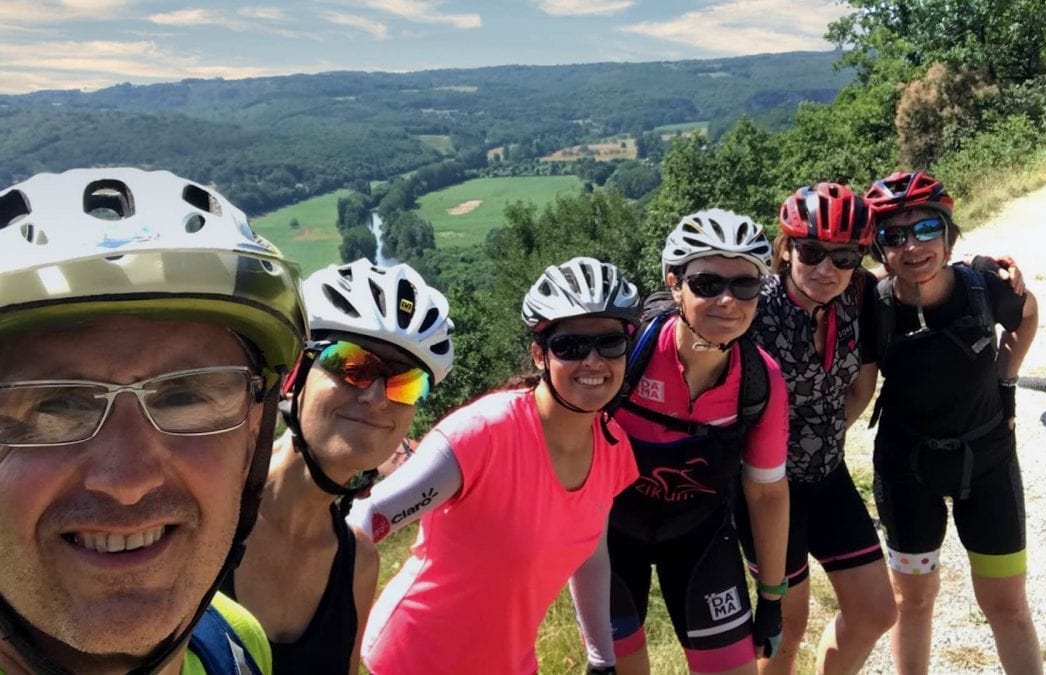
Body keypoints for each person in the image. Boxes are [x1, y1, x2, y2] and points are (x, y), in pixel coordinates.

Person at [0, 167, 306, 674]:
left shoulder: (232, 644)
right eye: (54, 406)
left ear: (251, 442)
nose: (127, 482)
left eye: (184, 397)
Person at [348, 256, 641, 674]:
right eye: (570, 347)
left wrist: (601, 659)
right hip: (411, 660)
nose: (594, 361)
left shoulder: (613, 450)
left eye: (610, 344)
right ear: (540, 356)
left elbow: (592, 554)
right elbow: (367, 519)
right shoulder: (483, 433)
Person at [221, 259, 454, 674]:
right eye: (353, 366)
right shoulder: (206, 519)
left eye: (405, 382)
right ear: (295, 375)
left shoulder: (358, 564)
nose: (378, 399)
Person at [585, 209, 790, 675]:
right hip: (613, 540)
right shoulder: (627, 354)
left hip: (700, 537)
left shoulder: (760, 381)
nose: (727, 301)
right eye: (706, 284)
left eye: (745, 285)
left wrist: (773, 596)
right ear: (673, 284)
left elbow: (767, 492)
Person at [864, 171, 1041, 674]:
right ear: (879, 248)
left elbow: (1027, 314)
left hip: (987, 465)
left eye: (925, 230)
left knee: (1007, 606)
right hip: (906, 470)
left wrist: (1007, 381)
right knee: (912, 602)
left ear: (947, 234)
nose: (912, 246)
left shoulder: (985, 285)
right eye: (894, 236)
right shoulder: (871, 306)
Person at [734, 183, 897, 674]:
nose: (827, 269)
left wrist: (988, 274)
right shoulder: (751, 310)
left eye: (844, 256)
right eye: (811, 251)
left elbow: (861, 386)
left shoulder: (859, 297)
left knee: (875, 611)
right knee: (786, 628)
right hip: (765, 491)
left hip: (827, 474)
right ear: (785, 249)